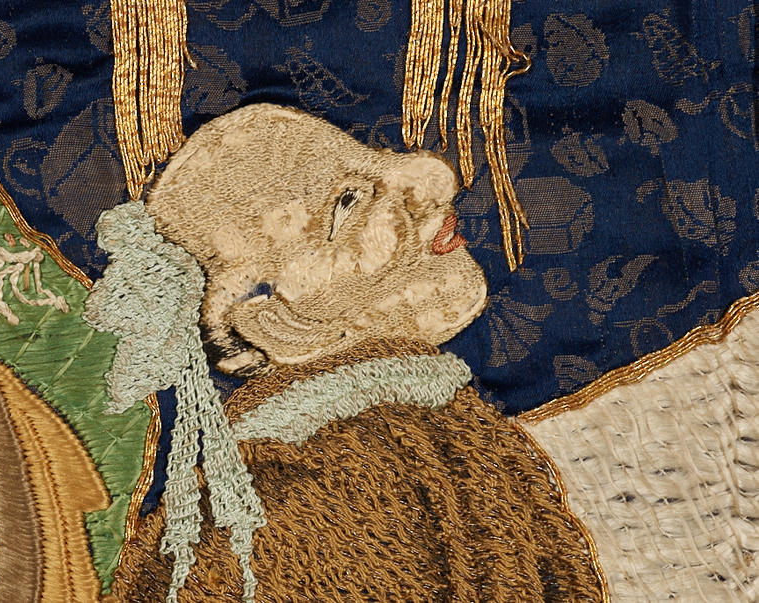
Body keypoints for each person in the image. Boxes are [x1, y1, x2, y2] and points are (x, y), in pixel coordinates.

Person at [88, 104, 603, 602]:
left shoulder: (432, 426)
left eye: (381, 160)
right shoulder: (281, 507)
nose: (431, 177)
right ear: (273, 324)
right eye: (350, 202)